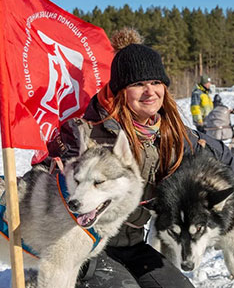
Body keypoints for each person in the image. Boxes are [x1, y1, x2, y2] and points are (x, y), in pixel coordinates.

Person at [45, 28, 234, 288]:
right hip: (86, 245)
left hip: (132, 244)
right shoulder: (87, 133)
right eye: (138, 84)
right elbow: (45, 176)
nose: (150, 91)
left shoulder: (174, 133)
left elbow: (223, 156)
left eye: (156, 82)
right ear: (121, 90)